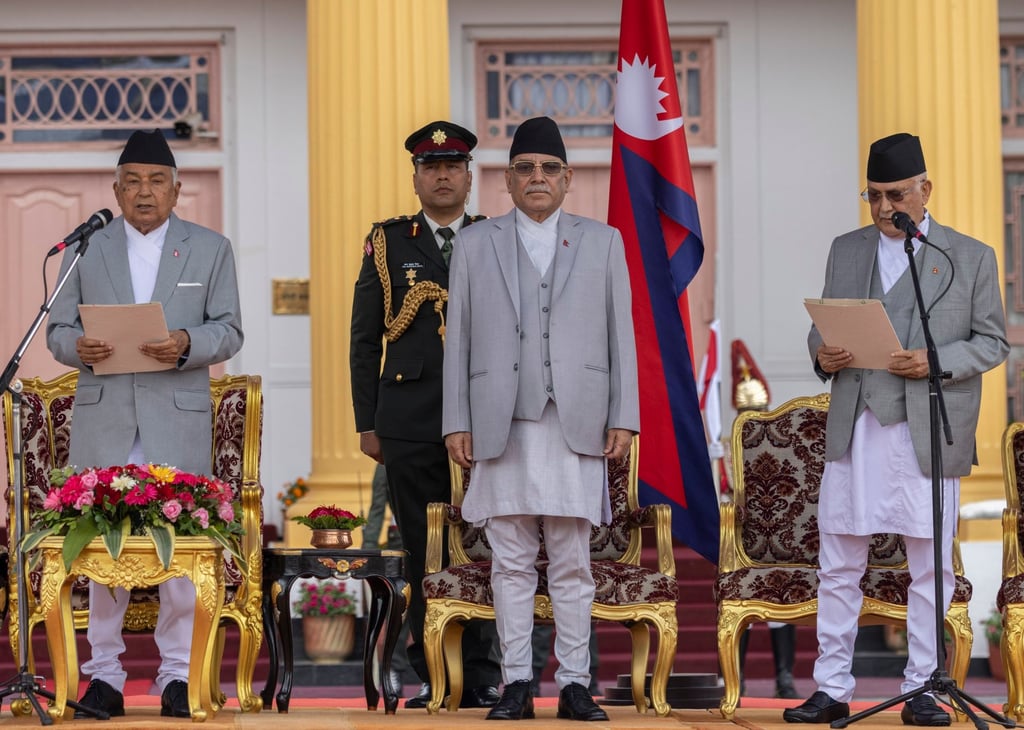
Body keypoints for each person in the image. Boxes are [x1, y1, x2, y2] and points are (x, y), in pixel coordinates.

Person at [783, 133, 1009, 725]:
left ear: (925, 190)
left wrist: (936, 361)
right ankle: (831, 687)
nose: (885, 209)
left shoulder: (970, 256)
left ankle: (924, 689)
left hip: (926, 429)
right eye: (874, 196)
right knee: (839, 561)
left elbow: (992, 341)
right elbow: (823, 325)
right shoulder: (847, 249)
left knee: (929, 564)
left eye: (897, 195)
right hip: (856, 424)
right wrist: (823, 353)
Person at [442, 116, 639, 722]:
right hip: (501, 421)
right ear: (505, 180)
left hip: (576, 420)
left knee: (574, 559)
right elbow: (462, 341)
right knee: (509, 559)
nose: (537, 178)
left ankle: (576, 683)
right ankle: (518, 683)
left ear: (567, 179)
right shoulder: (476, 243)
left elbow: (621, 338)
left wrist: (625, 417)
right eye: (525, 168)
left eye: (549, 168)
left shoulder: (603, 241)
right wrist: (457, 419)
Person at [46, 129, 243, 718]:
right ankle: (103, 677)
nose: (144, 192)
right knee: (103, 552)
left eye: (156, 181)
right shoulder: (90, 249)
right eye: (131, 181)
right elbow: (56, 331)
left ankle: (178, 676)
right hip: (105, 423)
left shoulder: (210, 248)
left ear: (178, 189)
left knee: (178, 555)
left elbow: (230, 329)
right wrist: (81, 347)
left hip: (174, 422)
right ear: (115, 189)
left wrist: (186, 342)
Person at [349, 120, 501, 709]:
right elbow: (364, 339)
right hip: (410, 418)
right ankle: (434, 671)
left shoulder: (497, 237)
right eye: (431, 166)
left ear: (469, 176)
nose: (443, 175)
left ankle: (486, 672)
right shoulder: (389, 243)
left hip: (489, 418)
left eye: (454, 165)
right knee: (422, 547)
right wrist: (368, 421)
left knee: (488, 543)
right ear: (416, 178)